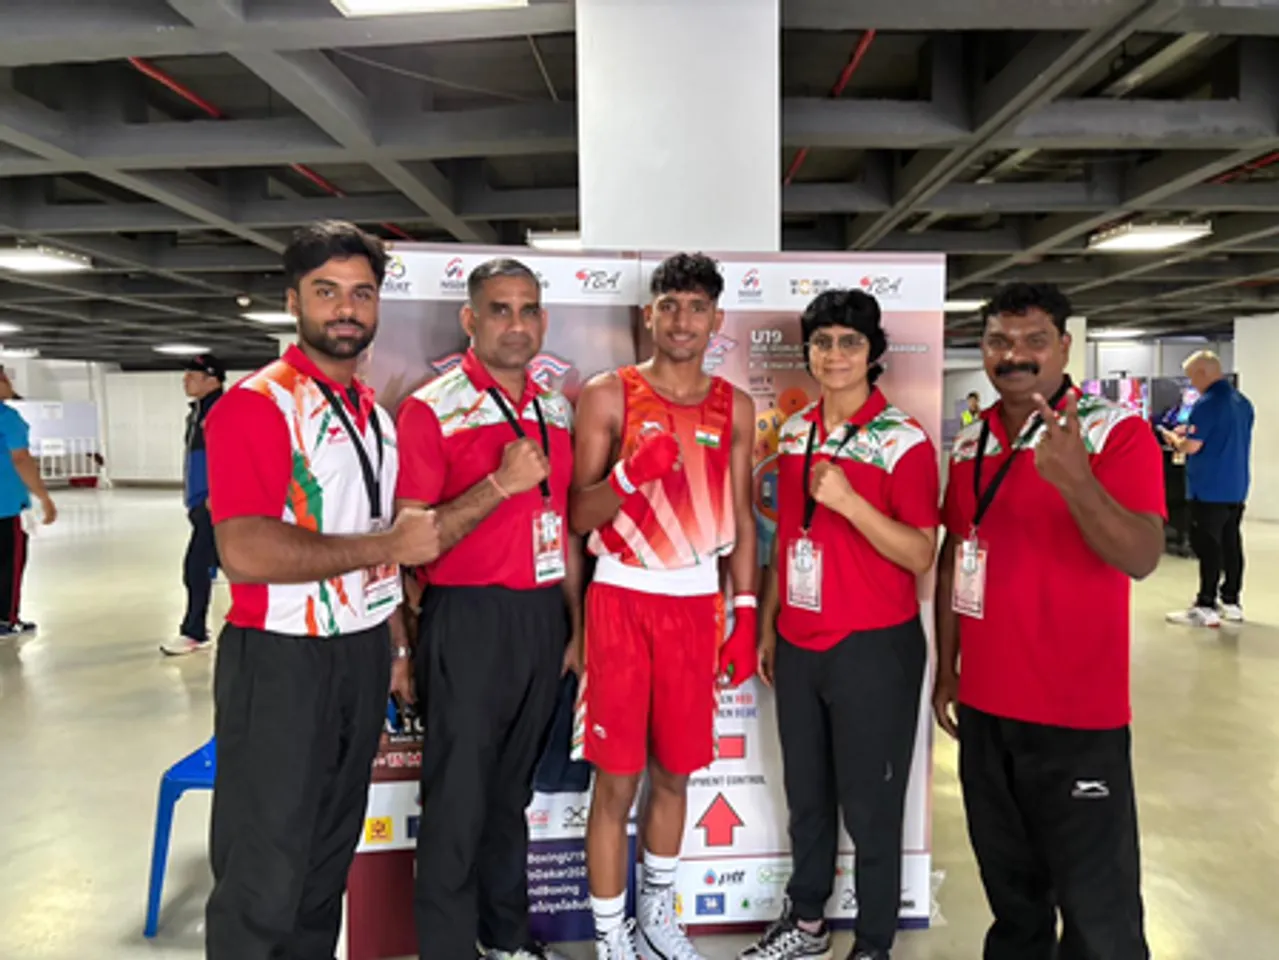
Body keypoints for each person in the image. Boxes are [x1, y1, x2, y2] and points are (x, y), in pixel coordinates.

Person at [202, 221, 441, 960]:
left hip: (359, 652)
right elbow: (242, 549)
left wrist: (395, 642)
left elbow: (367, 542)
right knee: (262, 870)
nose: (346, 309)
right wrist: (388, 548)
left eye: (361, 293)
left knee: (325, 858)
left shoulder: (373, 413)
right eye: (326, 292)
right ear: (293, 302)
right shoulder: (257, 405)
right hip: (280, 659)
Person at [933, 282, 1164, 960]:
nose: (1015, 355)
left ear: (1065, 346)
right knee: (1011, 897)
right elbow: (954, 558)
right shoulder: (969, 443)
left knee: (1098, 909)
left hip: (1075, 712)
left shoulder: (1110, 432)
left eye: (1035, 340)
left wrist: (1075, 481)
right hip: (985, 706)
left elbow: (1144, 555)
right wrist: (947, 669)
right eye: (1000, 341)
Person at [570, 252, 757, 960]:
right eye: (669, 305)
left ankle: (658, 919)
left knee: (676, 772)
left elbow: (738, 512)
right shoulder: (607, 395)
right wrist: (625, 474)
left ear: (716, 318)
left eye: (696, 307)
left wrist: (741, 609)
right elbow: (581, 514)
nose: (682, 320)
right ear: (648, 313)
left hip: (695, 606)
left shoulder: (733, 404)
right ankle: (611, 934)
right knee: (616, 779)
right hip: (621, 597)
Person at [396, 258, 580, 960]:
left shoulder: (553, 406)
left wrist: (572, 625)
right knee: (457, 799)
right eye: (499, 309)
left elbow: (559, 524)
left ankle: (506, 940)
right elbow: (413, 537)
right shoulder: (431, 407)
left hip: (540, 619)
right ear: (469, 321)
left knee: (510, 797)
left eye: (528, 309)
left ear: (543, 320)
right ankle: (446, 948)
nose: (515, 323)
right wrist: (500, 484)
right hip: (466, 616)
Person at [745, 290, 938, 960]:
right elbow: (783, 540)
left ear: (872, 353)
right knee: (807, 796)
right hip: (800, 640)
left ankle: (875, 944)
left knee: (871, 806)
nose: (833, 355)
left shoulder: (903, 440)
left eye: (848, 342)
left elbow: (920, 554)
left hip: (873, 648)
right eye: (822, 341)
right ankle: (805, 924)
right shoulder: (795, 433)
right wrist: (769, 624)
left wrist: (852, 504)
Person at [1161, 350, 1254, 627]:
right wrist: (1188, 432)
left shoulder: (1208, 404)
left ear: (1203, 373)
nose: (1192, 384)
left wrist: (1173, 439)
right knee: (1231, 542)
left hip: (1208, 487)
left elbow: (1191, 447)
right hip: (1236, 486)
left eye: (1192, 378)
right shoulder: (1243, 403)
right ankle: (1231, 600)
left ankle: (1205, 604)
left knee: (1208, 545)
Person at [161, 353, 225, 656]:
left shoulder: (222, 411)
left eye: (193, 375)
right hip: (200, 503)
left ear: (213, 380)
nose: (185, 380)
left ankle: (194, 630)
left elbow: (233, 456)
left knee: (195, 567)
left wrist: (219, 494)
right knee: (230, 566)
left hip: (214, 505)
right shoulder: (197, 412)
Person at [0, 366, 55, 635]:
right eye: (5, 379)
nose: (9, 384)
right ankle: (6, 619)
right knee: (9, 562)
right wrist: (43, 497)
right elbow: (21, 458)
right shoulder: (7, 418)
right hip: (4, 504)